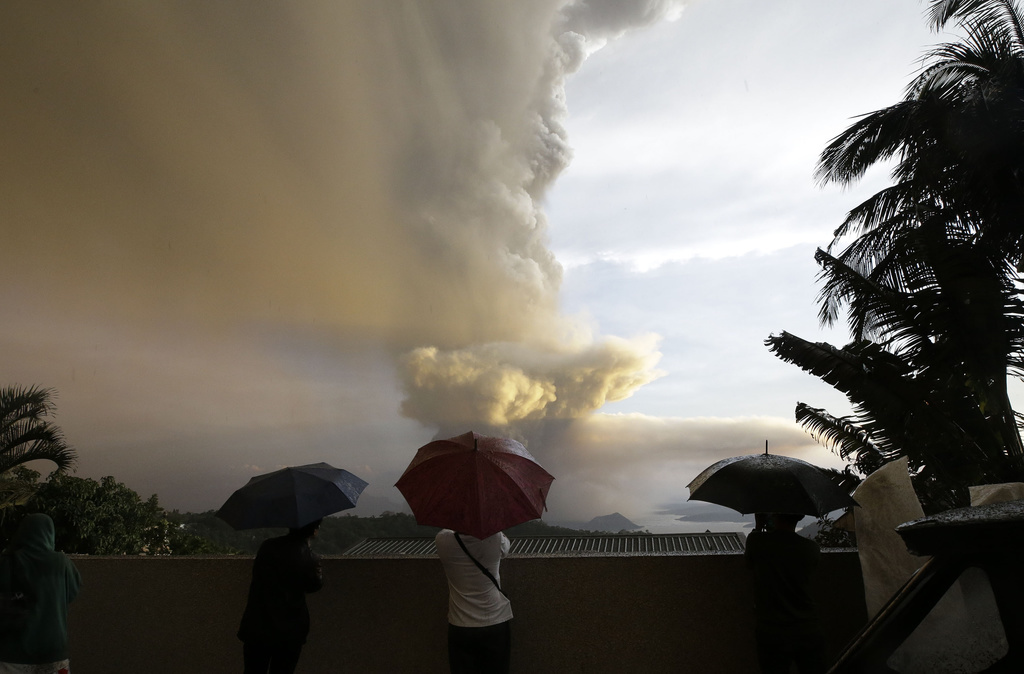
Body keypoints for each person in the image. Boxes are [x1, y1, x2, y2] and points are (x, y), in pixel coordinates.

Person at [237, 519, 323, 674]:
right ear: (314, 530)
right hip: (290, 630)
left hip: (257, 625)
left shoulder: (268, 546)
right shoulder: (310, 558)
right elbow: (314, 586)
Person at [0, 513, 82, 674]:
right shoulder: (62, 563)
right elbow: (72, 592)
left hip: (12, 653)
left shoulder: (6, 561)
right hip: (54, 651)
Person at [744, 512, 826, 674]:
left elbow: (749, 563)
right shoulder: (811, 548)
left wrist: (759, 527)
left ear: (773, 515)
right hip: (807, 627)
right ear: (800, 517)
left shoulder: (757, 542)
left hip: (771, 629)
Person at [434, 529, 513, 674]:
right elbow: (506, 549)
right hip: (495, 620)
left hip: (460, 624)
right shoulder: (495, 536)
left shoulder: (442, 539)